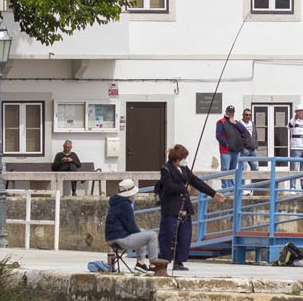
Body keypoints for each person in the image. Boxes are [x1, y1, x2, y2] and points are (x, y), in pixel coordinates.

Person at [156, 143, 225, 271]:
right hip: (171, 208)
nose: (185, 160)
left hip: (184, 208)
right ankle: (164, 261)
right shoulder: (166, 169)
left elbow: (196, 182)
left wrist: (214, 193)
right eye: (183, 158)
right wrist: (183, 188)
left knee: (184, 236)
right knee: (168, 235)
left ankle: (179, 261)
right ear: (177, 159)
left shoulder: (185, 169)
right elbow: (169, 186)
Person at [104, 178, 163, 271]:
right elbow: (131, 227)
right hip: (120, 239)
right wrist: (140, 233)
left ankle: (141, 263)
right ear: (129, 193)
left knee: (142, 232)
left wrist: (140, 232)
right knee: (152, 235)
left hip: (112, 238)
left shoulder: (116, 202)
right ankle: (154, 265)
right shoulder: (125, 205)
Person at [216, 106, 243, 172]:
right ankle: (225, 183)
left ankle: (231, 183)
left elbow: (243, 130)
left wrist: (234, 123)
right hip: (226, 151)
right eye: (229, 111)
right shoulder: (221, 122)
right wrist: (226, 144)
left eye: (232, 112)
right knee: (225, 170)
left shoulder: (235, 122)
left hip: (235, 151)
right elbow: (218, 136)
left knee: (233, 170)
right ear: (226, 112)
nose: (231, 113)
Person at [237, 108, 260, 172]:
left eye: (250, 115)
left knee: (255, 169)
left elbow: (255, 136)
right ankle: (241, 182)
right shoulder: (239, 124)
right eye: (246, 115)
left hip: (253, 150)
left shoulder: (252, 124)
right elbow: (237, 137)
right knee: (243, 170)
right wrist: (241, 147)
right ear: (243, 115)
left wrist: (256, 146)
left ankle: (255, 182)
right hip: (244, 150)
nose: (248, 116)